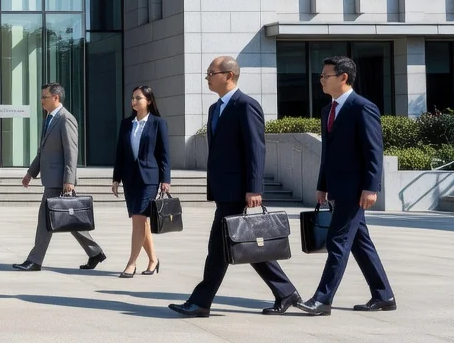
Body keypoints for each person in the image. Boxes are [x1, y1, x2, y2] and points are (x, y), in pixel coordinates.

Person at [170, 56, 300, 318]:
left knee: (220, 247)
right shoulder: (215, 108)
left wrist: (254, 188)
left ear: (228, 75)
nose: (207, 77)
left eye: (211, 72)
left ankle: (201, 302)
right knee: (242, 243)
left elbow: (256, 150)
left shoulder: (246, 105)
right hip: (223, 188)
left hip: (239, 189)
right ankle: (286, 292)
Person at [292, 56, 396, 316]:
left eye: (326, 76)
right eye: (321, 76)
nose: (321, 80)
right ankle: (384, 295)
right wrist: (322, 185)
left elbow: (374, 151)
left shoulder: (363, 107)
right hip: (337, 188)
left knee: (337, 241)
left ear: (343, 77)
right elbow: (327, 153)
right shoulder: (328, 110)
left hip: (355, 190)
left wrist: (371, 188)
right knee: (361, 243)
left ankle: (322, 300)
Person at [15, 83, 107, 272]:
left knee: (45, 221)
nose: (41, 100)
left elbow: (71, 152)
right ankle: (95, 252)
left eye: (44, 97)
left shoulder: (66, 119)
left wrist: (69, 180)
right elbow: (43, 152)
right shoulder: (48, 119)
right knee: (69, 220)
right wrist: (31, 173)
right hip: (51, 178)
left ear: (56, 98)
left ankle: (35, 261)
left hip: (60, 181)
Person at [109, 85, 170, 278]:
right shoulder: (126, 124)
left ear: (149, 101)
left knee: (139, 220)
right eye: (133, 98)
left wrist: (165, 179)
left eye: (138, 98)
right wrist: (116, 178)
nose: (134, 101)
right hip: (130, 178)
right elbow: (120, 153)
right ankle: (153, 260)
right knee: (141, 222)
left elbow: (164, 154)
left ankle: (131, 263)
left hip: (149, 179)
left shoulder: (158, 123)